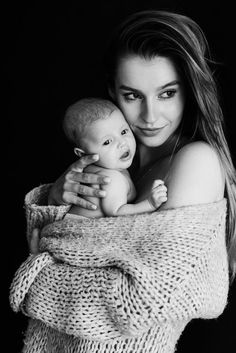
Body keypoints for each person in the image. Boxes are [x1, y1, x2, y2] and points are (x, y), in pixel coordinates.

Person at [9, 9, 236, 353]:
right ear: (112, 90)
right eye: (132, 96)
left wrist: (36, 278)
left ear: (189, 90)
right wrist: (55, 200)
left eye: (166, 93)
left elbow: (140, 302)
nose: (149, 116)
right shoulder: (109, 162)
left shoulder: (196, 162)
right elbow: (55, 241)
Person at [62, 97, 167, 219]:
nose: (122, 143)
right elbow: (116, 211)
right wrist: (149, 204)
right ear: (83, 154)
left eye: (123, 132)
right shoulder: (111, 178)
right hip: (78, 229)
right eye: (107, 142)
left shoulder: (104, 168)